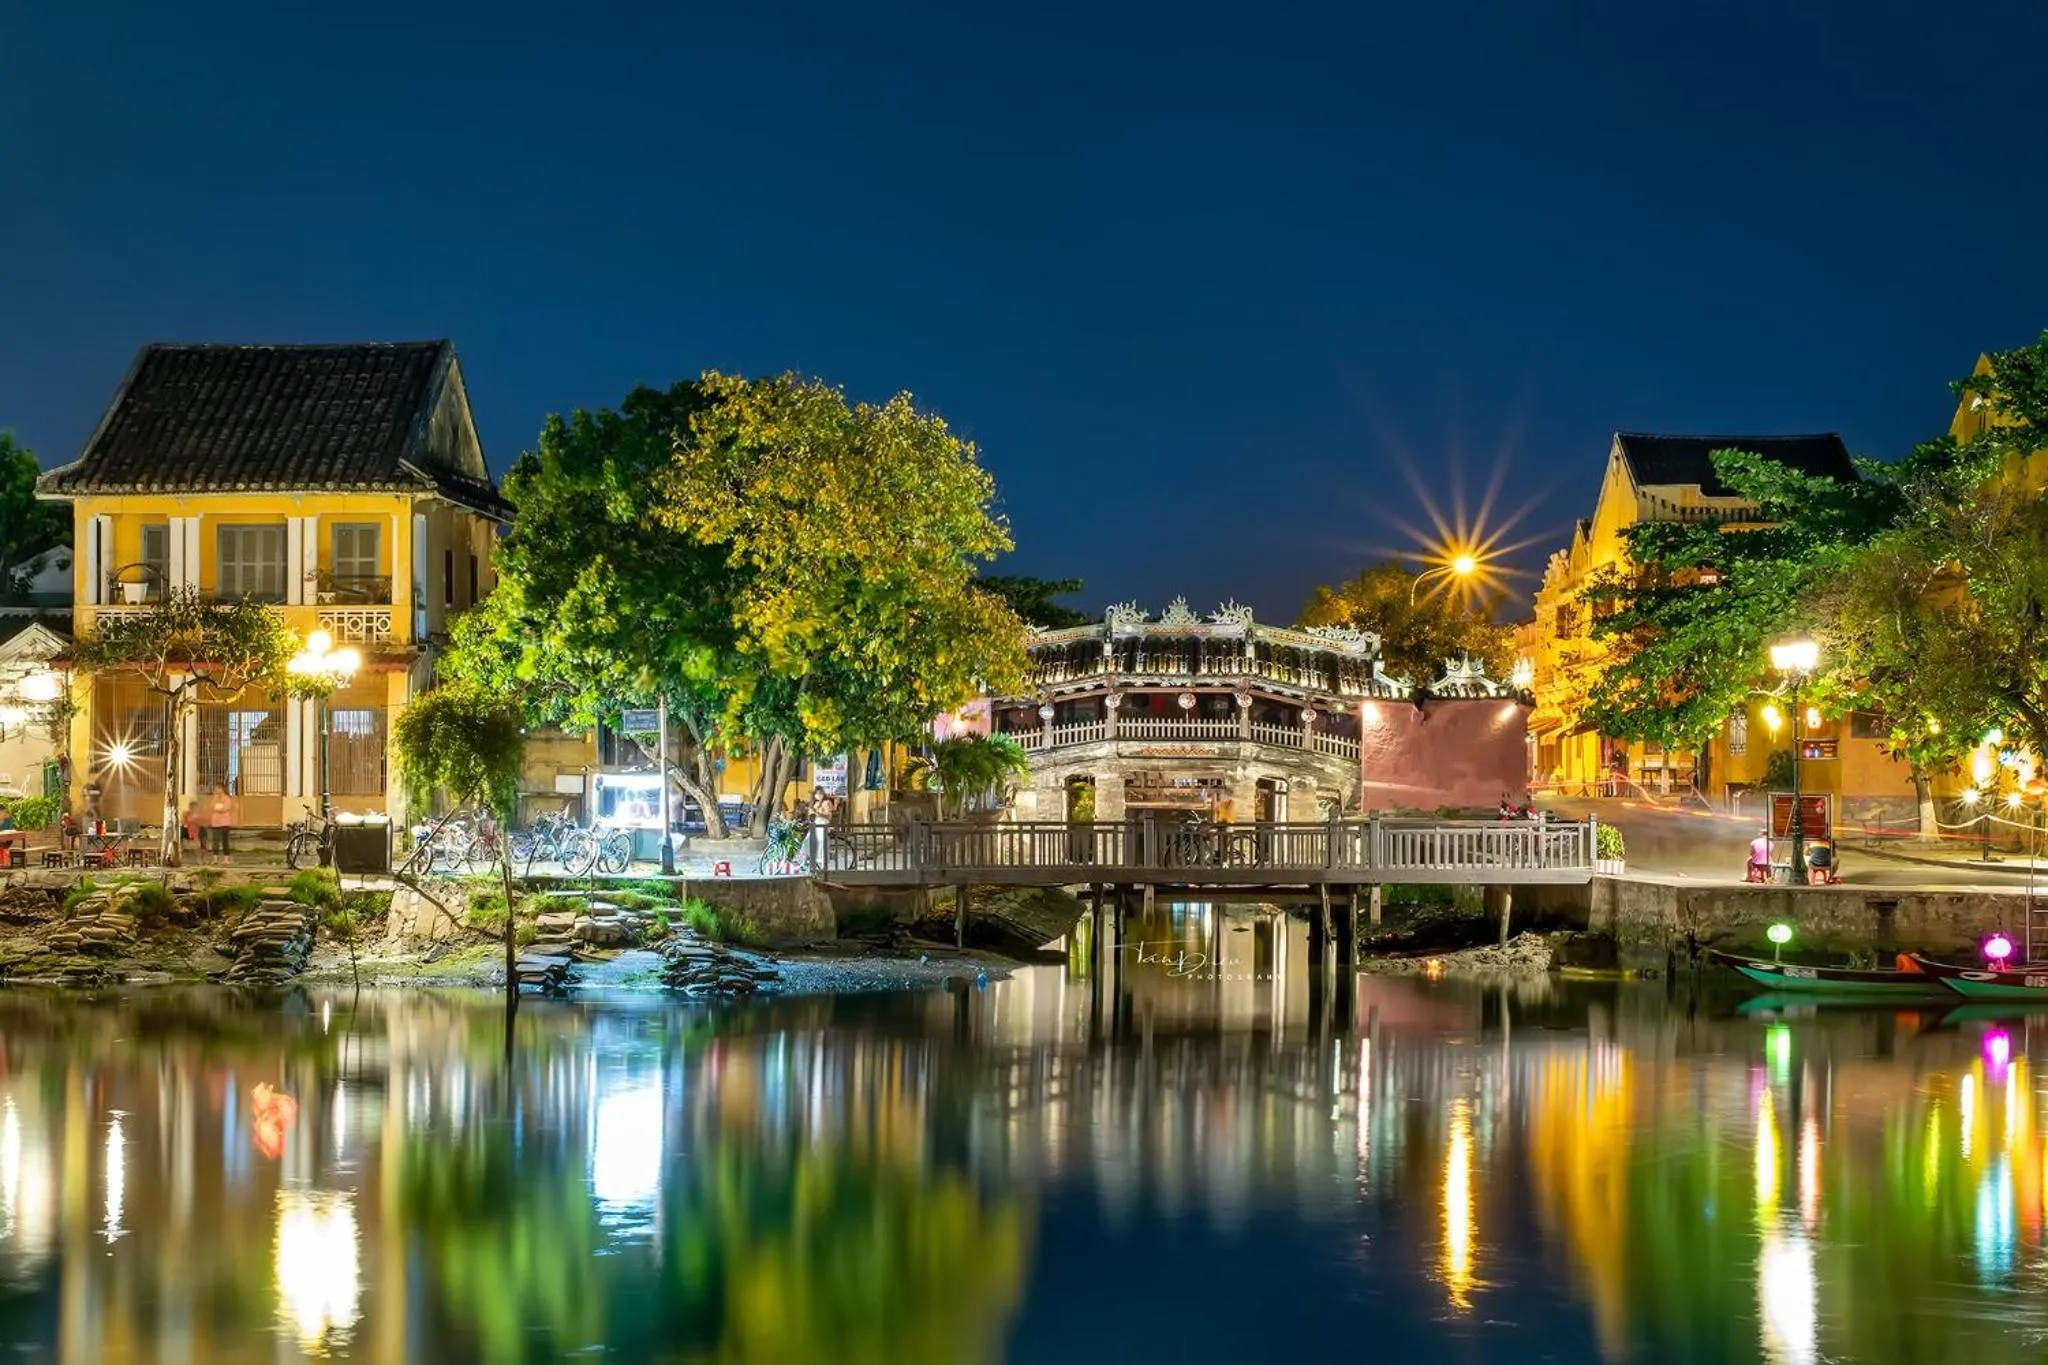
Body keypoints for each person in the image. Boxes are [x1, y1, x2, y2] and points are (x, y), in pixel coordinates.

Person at [206, 784, 236, 861]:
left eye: (216, 789)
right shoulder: (215, 798)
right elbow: (211, 806)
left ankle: (226, 859)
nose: (215, 791)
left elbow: (225, 808)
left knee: (225, 841)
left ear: (221, 789)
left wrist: (217, 807)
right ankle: (215, 859)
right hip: (215, 822)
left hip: (225, 822)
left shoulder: (227, 798)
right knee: (215, 841)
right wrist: (217, 805)